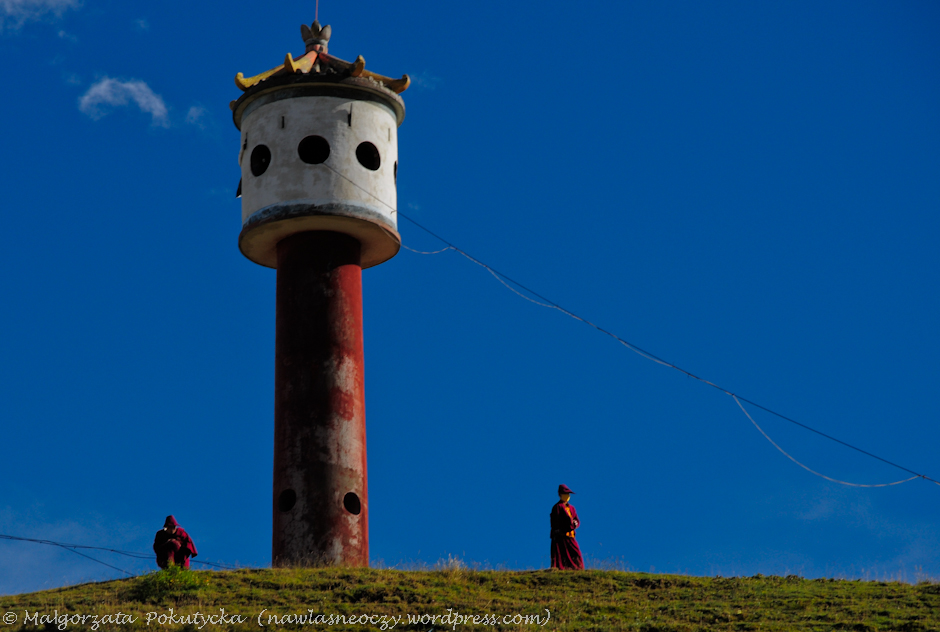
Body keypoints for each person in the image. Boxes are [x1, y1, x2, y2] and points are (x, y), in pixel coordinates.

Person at [550, 484, 584, 570]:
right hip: (561, 535)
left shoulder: (572, 508)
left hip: (570, 534)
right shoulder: (557, 507)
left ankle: (578, 568)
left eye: (568, 494)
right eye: (565, 494)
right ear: (560, 495)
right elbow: (555, 521)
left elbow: (576, 519)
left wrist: (575, 523)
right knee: (561, 554)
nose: (567, 496)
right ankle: (562, 569)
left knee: (576, 552)